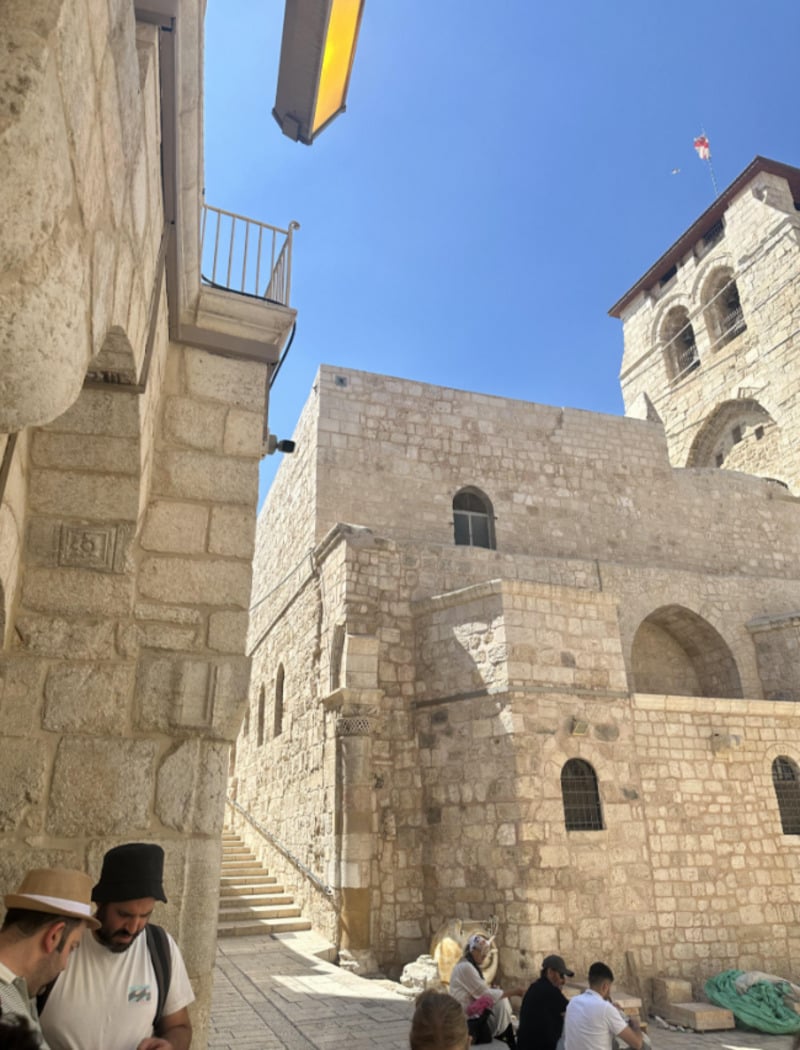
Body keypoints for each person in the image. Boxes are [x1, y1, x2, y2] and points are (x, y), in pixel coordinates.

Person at [40, 843, 194, 1050]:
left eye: (145, 915)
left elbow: (179, 1026)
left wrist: (170, 1045)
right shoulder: (59, 946)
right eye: (124, 914)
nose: (133, 927)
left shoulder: (161, 948)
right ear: (100, 904)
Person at [0, 867, 99, 1049]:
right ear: (54, 936)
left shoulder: (21, 993)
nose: (64, 965)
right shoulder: (5, 1013)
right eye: (72, 948)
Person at [449, 933, 524, 1048]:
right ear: (473, 950)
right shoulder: (466, 967)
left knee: (500, 1001)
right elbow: (484, 994)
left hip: (472, 1012)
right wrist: (515, 992)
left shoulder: (470, 965)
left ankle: (507, 1036)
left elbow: (481, 991)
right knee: (501, 1002)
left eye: (486, 952)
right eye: (482, 952)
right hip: (466, 1018)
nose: (485, 956)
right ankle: (506, 1037)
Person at [563, 962, 642, 1050]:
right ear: (605, 986)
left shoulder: (573, 1002)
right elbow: (637, 1044)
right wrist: (636, 1025)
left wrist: (612, 1010)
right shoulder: (606, 1009)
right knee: (643, 1046)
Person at [517, 953, 575, 1050]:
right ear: (550, 972)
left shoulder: (535, 987)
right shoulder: (550, 991)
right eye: (561, 975)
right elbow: (572, 1010)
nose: (563, 981)